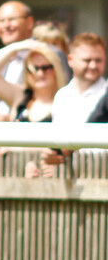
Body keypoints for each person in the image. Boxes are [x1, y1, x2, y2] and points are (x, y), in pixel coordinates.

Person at [41, 32, 108, 168]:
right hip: (67, 178)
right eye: (87, 60)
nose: (93, 66)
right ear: (70, 60)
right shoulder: (62, 95)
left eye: (98, 60)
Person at [0, 40, 66, 122]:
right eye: (34, 68)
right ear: (26, 72)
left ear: (56, 70)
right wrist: (16, 47)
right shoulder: (20, 96)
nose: (40, 73)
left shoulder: (64, 101)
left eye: (46, 68)